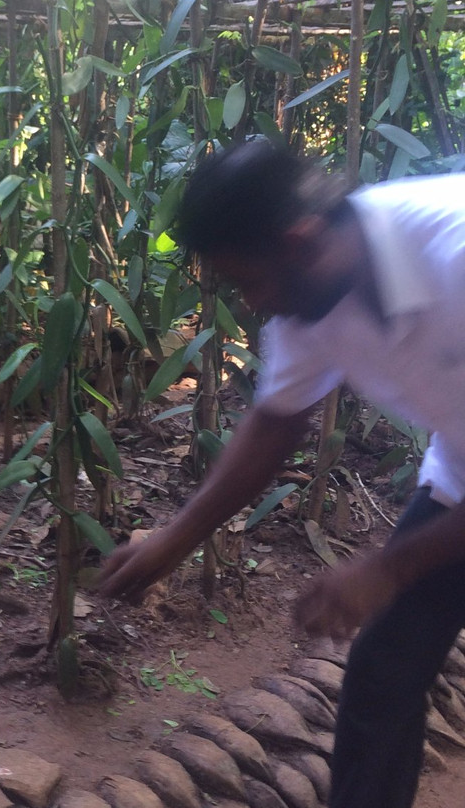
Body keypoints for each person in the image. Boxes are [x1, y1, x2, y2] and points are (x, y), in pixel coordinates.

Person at [95, 139, 465, 808]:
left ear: (298, 242)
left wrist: (386, 569)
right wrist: (172, 543)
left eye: (247, 283)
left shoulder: (454, 255)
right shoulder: (311, 295)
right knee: (384, 674)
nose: (254, 305)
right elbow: (274, 425)